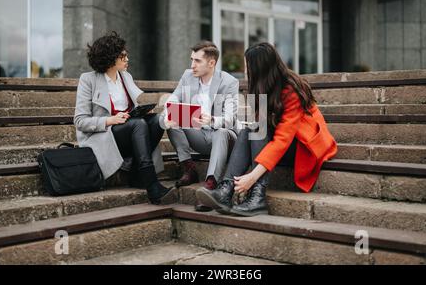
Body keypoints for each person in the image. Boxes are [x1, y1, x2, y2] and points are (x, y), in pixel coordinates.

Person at [196, 42, 338, 216]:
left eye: (248, 66)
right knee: (250, 130)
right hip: (281, 142)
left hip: (304, 146)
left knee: (256, 130)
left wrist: (252, 177)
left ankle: (257, 198)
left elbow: (282, 140)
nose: (246, 71)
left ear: (260, 69)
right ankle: (226, 190)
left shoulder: (291, 90)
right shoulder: (265, 88)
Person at [74, 31, 176, 205]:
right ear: (110, 57)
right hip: (103, 136)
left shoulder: (126, 77)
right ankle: (152, 185)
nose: (127, 59)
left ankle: (137, 174)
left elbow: (133, 111)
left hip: (129, 130)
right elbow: (80, 121)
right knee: (138, 125)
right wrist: (110, 120)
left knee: (157, 121)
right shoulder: (88, 80)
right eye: (123, 55)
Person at [162, 41, 239, 193]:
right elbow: (174, 97)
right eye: (192, 60)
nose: (192, 65)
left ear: (211, 63)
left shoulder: (229, 82)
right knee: (173, 120)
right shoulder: (187, 76)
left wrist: (211, 119)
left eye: (197, 61)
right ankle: (189, 169)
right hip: (199, 136)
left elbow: (230, 118)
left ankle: (212, 181)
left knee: (221, 131)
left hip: (224, 137)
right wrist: (169, 108)